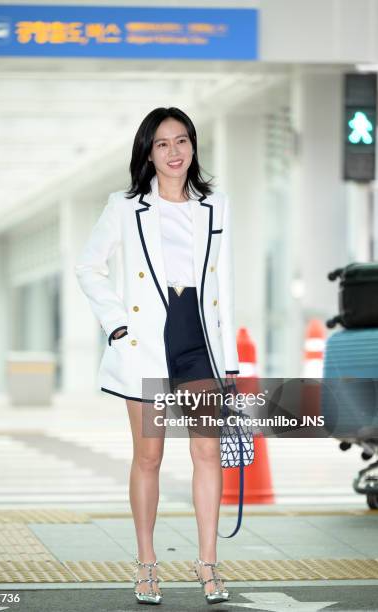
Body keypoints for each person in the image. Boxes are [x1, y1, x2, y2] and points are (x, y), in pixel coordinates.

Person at [75, 107, 239, 605]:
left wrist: (228, 359)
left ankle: (207, 565)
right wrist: (117, 325)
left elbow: (223, 286)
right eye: (163, 143)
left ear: (193, 147)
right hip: (147, 340)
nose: (175, 152)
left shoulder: (216, 206)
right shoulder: (125, 207)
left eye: (183, 141)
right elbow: (89, 267)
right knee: (149, 455)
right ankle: (147, 564)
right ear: (149, 151)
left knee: (207, 452)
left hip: (199, 339)